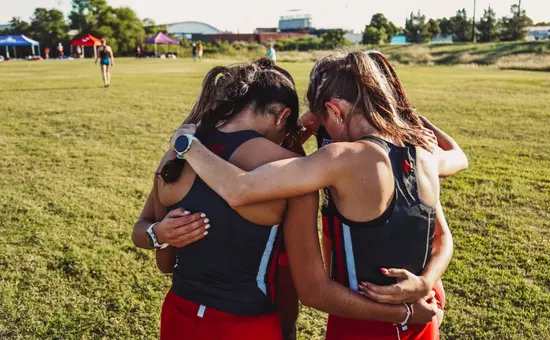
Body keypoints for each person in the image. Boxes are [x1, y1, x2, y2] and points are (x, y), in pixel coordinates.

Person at [133, 58, 441, 340]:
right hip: (248, 327)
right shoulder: (295, 175)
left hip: (177, 317)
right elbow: (298, 285)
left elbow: (165, 262)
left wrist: (158, 233)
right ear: (283, 116)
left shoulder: (174, 157)